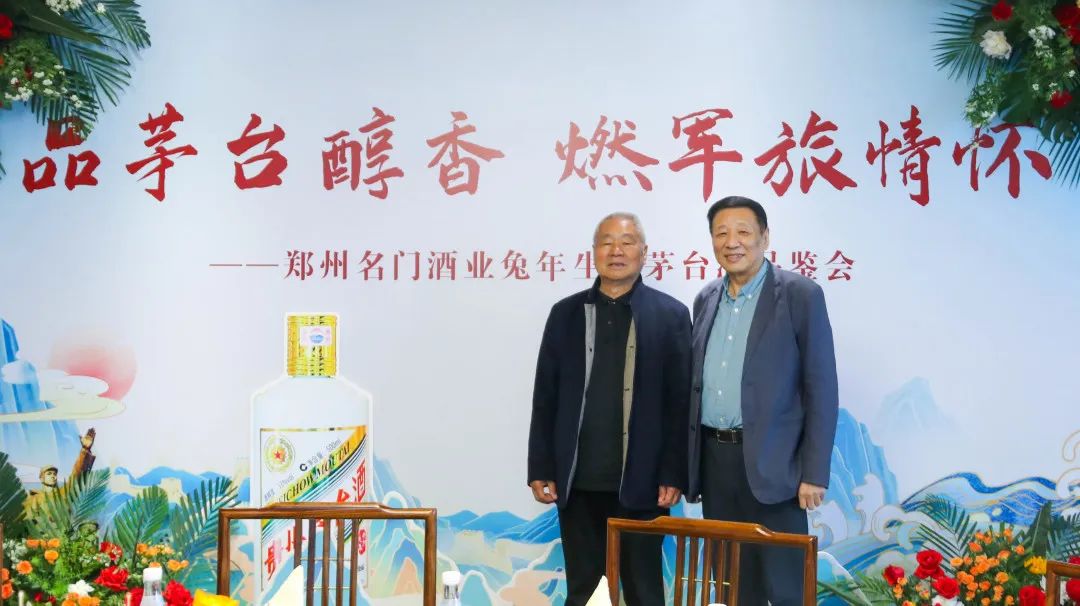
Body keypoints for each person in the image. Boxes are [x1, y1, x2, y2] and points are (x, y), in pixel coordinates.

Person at [527, 212, 691, 606]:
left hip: (643, 484)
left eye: (627, 241)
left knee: (643, 590)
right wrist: (541, 466)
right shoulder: (565, 314)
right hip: (578, 480)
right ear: (594, 251)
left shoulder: (670, 315)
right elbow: (545, 395)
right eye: (606, 242)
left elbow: (680, 403)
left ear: (644, 252)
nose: (616, 250)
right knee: (584, 592)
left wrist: (673, 472)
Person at [687, 196, 839, 606]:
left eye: (743, 232)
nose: (731, 242)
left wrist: (814, 472)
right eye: (721, 233)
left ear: (765, 237)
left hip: (778, 466)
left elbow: (821, 387)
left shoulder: (800, 295)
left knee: (786, 588)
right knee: (732, 586)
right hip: (716, 463)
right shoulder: (706, 298)